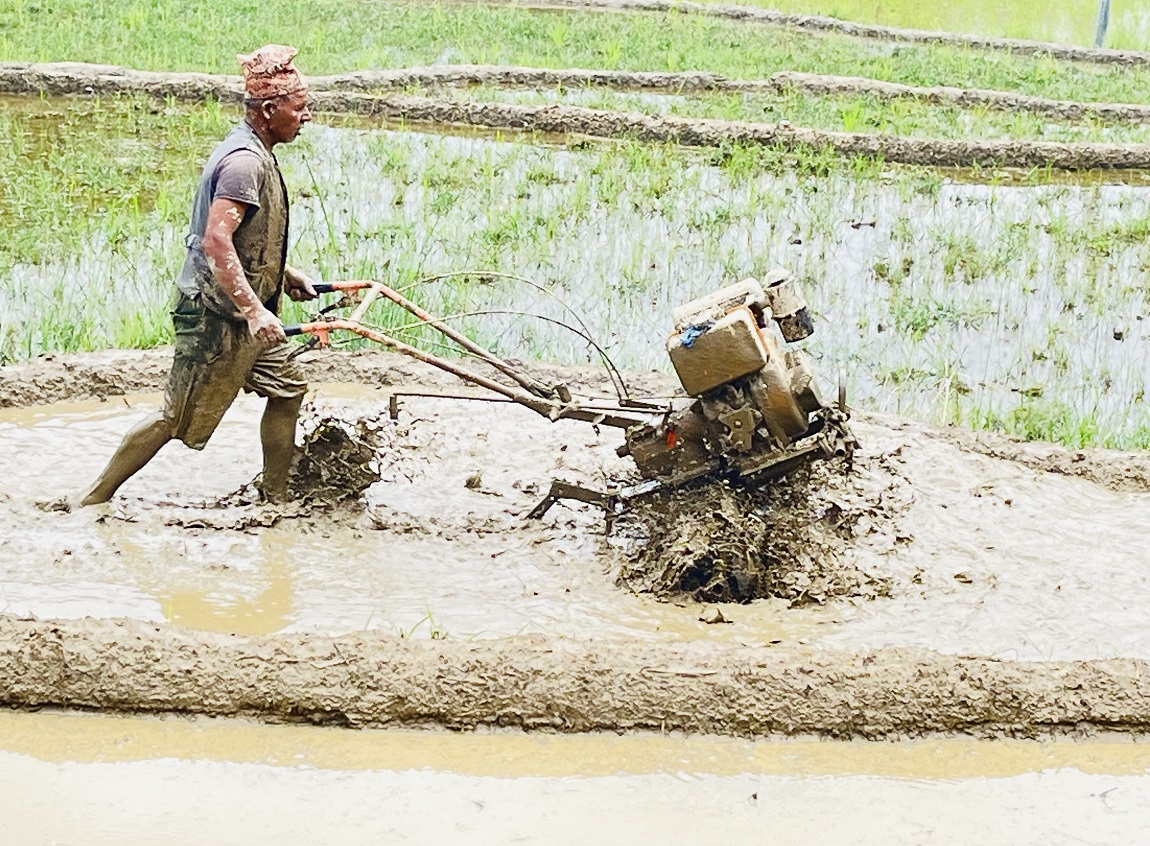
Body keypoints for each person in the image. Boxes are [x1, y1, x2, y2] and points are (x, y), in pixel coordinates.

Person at [77, 44, 319, 506]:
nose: (306, 116)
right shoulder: (244, 162)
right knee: (174, 416)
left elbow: (244, 235)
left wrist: (283, 273)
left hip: (243, 313)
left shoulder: (257, 154)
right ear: (269, 110)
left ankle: (277, 497)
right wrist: (254, 310)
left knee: (288, 389)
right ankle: (90, 498)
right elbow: (215, 241)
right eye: (300, 107)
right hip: (215, 316)